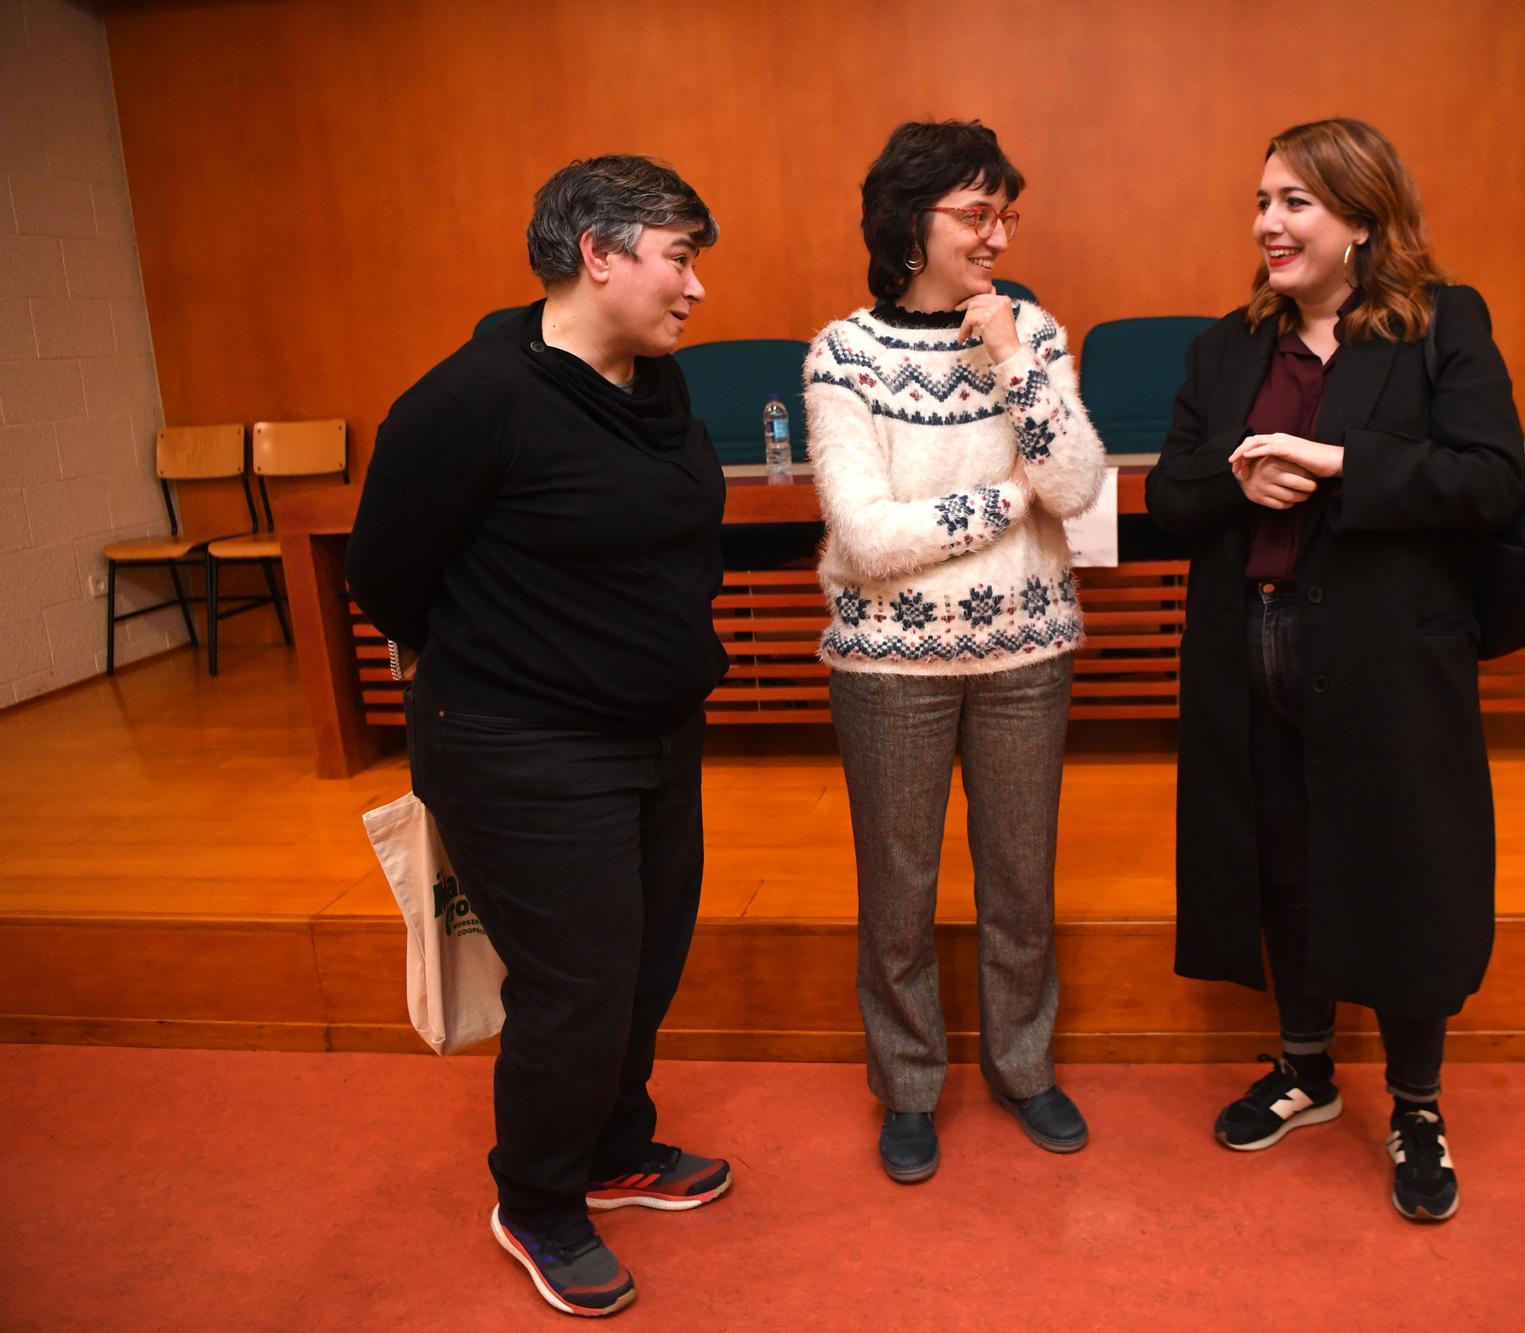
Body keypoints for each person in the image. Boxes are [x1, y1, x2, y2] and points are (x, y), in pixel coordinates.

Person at [347, 155, 733, 1317]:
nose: (696, 289)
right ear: (598, 254)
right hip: (519, 744)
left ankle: (615, 1147)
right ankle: (538, 1199)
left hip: (653, 733)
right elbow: (383, 577)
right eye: (679, 257)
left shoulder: (652, 385)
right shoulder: (468, 400)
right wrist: (512, 658)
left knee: (646, 960)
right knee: (576, 983)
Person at [1144, 118, 1525, 1224]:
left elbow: (1489, 480)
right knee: (1279, 855)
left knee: (1401, 864)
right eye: (1261, 200)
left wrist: (1336, 465)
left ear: (1360, 218)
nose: (1267, 222)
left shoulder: (1439, 326)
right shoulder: (1224, 348)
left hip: (1385, 658)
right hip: (1246, 648)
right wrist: (1236, 481)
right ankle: (1306, 1069)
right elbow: (1170, 499)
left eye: (1294, 202)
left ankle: (1414, 1104)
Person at [804, 120, 1106, 1183]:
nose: (993, 235)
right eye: (973, 213)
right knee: (898, 890)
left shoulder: (1033, 332)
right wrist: (999, 500)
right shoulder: (845, 352)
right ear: (907, 220)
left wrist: (1012, 360)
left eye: (1003, 214)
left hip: (1027, 651)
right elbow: (866, 535)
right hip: (889, 666)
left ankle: (1024, 1068)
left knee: (1020, 879)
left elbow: (1074, 487)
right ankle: (909, 1084)